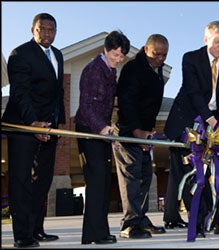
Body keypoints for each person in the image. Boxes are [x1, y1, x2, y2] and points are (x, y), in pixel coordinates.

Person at [163, 20, 219, 238]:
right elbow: (193, 93)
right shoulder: (190, 58)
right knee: (194, 175)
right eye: (217, 41)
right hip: (188, 121)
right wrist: (212, 122)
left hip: (214, 123)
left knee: (217, 172)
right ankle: (198, 223)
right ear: (206, 39)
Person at [2, 13, 65, 248]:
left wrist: (59, 122)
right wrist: (33, 123)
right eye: (42, 29)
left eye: (52, 29)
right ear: (32, 30)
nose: (47, 33)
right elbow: (20, 93)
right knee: (20, 180)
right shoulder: (19, 54)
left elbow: (58, 92)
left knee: (43, 181)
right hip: (23, 126)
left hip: (50, 129)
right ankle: (22, 235)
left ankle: (37, 229)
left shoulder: (57, 54)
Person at [74, 30, 130, 244]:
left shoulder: (109, 69)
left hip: (100, 133)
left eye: (121, 56)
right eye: (115, 55)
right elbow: (86, 106)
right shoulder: (93, 70)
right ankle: (94, 234)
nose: (118, 59)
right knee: (96, 181)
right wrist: (102, 128)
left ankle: (96, 233)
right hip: (89, 130)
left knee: (104, 181)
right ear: (105, 50)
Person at [112, 34, 169, 239]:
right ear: (146, 49)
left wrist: (148, 133)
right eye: (156, 54)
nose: (160, 59)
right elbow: (126, 103)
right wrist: (137, 132)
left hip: (144, 134)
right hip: (128, 132)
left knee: (145, 175)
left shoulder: (157, 69)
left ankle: (141, 219)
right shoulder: (132, 70)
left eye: (164, 55)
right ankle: (129, 224)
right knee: (131, 178)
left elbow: (151, 107)